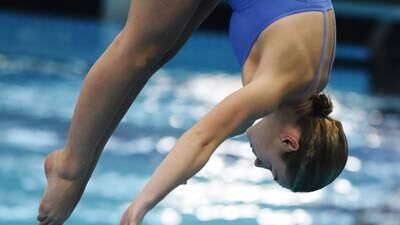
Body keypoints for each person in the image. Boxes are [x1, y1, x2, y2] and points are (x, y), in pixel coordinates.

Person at [37, 0, 348, 224]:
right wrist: (140, 207)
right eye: (271, 168)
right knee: (136, 51)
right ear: (289, 142)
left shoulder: (311, 81)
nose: (257, 161)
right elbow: (201, 139)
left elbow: (209, 141)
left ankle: (76, 166)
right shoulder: (277, 88)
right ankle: (69, 168)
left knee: (156, 51)